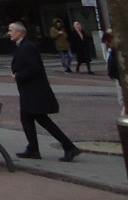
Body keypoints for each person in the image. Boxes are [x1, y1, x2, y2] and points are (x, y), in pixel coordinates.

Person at [8, 21, 81, 162]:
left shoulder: (28, 47)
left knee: (42, 119)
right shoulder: (23, 46)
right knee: (27, 119)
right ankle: (33, 148)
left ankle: (69, 147)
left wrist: (19, 76)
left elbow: (35, 67)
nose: (9, 33)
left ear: (19, 32)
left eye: (11, 30)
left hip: (35, 92)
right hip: (29, 91)